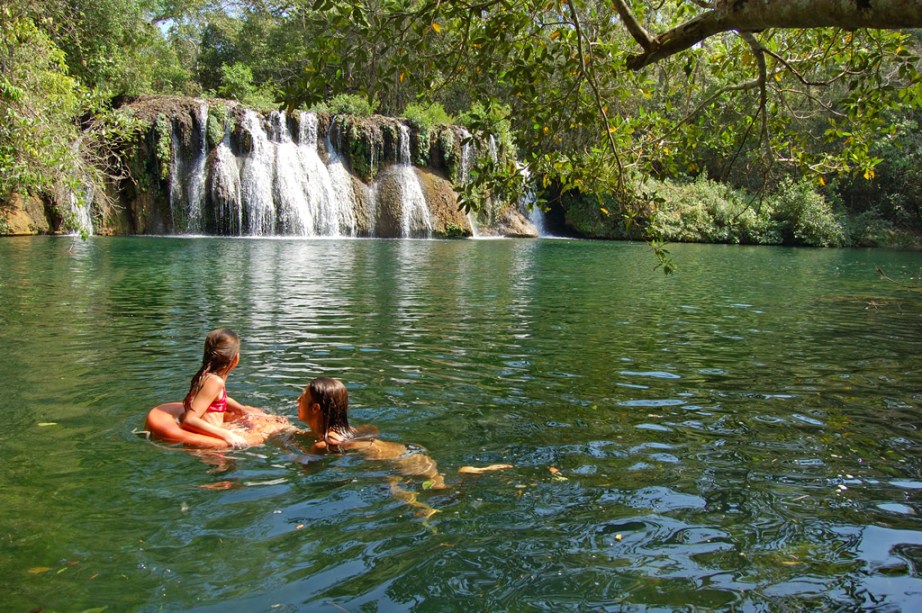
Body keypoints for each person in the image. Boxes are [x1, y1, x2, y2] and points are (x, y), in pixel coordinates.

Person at [297, 377, 511, 494]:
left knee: (444, 494)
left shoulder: (325, 445)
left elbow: (304, 469)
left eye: (302, 396)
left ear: (315, 408)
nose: (297, 399)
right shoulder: (349, 432)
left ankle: (467, 474)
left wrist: (285, 444)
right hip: (409, 450)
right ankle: (468, 473)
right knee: (435, 489)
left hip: (402, 462)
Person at [144, 328, 292, 449]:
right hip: (211, 444)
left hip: (212, 430)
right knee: (279, 427)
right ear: (236, 359)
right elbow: (189, 420)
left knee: (275, 421)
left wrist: (241, 409)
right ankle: (301, 453)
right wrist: (226, 435)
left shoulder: (208, 376)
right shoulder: (214, 381)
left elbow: (217, 398)